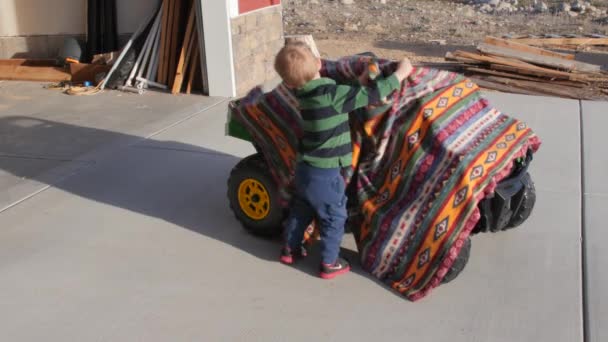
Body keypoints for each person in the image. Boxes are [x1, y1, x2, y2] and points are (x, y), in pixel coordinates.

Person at [274, 42, 413, 279]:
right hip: (326, 174)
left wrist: (356, 83)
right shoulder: (332, 95)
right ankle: (329, 263)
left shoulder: (302, 94)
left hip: (305, 170)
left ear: (288, 83)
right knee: (334, 216)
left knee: (301, 210)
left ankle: (290, 249)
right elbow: (372, 95)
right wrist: (401, 73)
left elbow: (339, 96)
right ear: (319, 63)